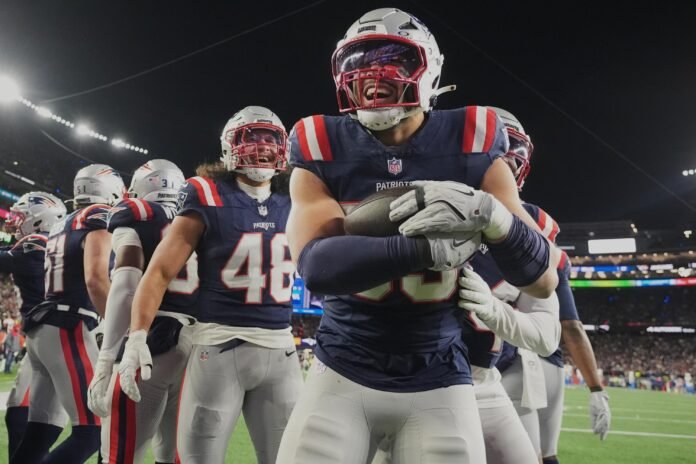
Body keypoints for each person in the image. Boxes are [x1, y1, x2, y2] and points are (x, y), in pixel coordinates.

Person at [277, 8, 560, 463]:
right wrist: (424, 248)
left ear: (430, 68)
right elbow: (317, 267)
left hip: (439, 373)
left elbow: (542, 281)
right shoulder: (320, 141)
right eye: (358, 62)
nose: (372, 75)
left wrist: (492, 215)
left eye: (393, 59)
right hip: (341, 367)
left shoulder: (473, 136)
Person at [118, 106, 302, 464]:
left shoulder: (296, 194)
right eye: (252, 137)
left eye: (270, 139)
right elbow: (158, 272)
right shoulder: (206, 192)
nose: (263, 147)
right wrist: (137, 335)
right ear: (229, 146)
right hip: (219, 347)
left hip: (281, 349)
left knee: (288, 459)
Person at [489, 107, 611, 464]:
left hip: (500, 358)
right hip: (526, 359)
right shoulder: (537, 224)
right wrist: (595, 388)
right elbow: (570, 325)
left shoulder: (445, 205)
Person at [86, 159, 197, 464]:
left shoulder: (139, 214)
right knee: (174, 454)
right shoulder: (199, 216)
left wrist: (106, 357)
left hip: (151, 341)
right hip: (199, 345)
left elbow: (126, 286)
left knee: (119, 455)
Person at [11, 164, 124, 464]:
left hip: (46, 328)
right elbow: (96, 279)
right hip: (68, 326)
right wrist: (120, 329)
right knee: (94, 430)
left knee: (40, 433)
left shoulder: (64, 222)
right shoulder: (98, 216)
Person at [0, 191, 67, 459]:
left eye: (22, 216)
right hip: (45, 335)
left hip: (53, 336)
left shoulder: (37, 243)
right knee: (20, 412)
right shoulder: (50, 243)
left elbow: (6, 258)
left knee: (31, 417)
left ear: (40, 220)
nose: (15, 221)